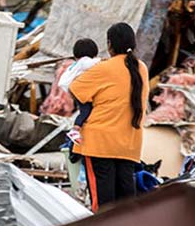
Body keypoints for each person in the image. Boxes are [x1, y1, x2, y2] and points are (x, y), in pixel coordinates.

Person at [69, 22, 148, 211]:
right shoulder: (142, 68)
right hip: (129, 143)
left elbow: (75, 89)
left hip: (100, 143)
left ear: (110, 44)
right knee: (126, 199)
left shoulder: (104, 68)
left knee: (103, 202)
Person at [58, 38, 100, 144]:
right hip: (79, 91)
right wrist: (103, 61)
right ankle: (75, 130)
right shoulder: (85, 61)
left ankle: (76, 129)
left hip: (73, 90)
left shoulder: (75, 64)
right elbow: (93, 63)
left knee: (83, 111)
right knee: (86, 111)